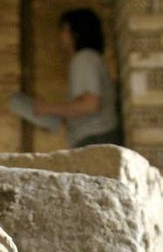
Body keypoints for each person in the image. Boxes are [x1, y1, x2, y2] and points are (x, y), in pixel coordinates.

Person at [32, 8, 123, 148]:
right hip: (96, 139)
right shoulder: (89, 59)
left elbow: (90, 105)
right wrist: (55, 117)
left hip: (96, 139)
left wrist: (47, 108)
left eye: (63, 29)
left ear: (73, 32)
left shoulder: (84, 59)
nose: (60, 36)